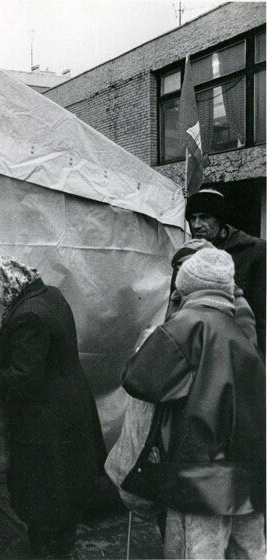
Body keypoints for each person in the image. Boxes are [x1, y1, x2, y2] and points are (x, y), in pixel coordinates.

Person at [123, 248, 265, 559]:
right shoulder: (239, 326)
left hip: (198, 471)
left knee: (198, 551)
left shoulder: (187, 323)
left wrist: (164, 327)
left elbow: (138, 380)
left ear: (186, 284)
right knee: (249, 551)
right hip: (245, 468)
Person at [0, 256, 107, 559]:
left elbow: (26, 379)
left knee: (44, 494)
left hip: (44, 421)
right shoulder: (51, 295)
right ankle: (62, 548)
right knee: (64, 489)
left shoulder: (28, 315)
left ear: (6, 284)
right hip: (67, 409)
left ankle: (48, 552)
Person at [185, 188, 265, 352]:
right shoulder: (188, 253)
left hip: (241, 348)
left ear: (220, 220)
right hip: (201, 347)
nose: (196, 225)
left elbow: (263, 315)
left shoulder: (255, 251)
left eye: (204, 217)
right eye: (192, 218)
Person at [166, 238, 257, 346]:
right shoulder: (177, 298)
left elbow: (246, 354)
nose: (183, 272)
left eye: (189, 266)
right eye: (178, 267)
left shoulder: (236, 305)